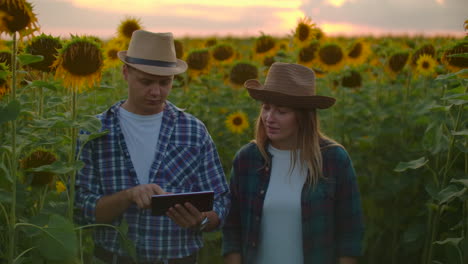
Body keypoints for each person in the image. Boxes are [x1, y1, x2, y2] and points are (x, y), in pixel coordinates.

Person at [75, 30, 230, 264]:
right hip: (114, 258)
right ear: (125, 73)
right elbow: (81, 208)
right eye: (146, 81)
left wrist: (202, 220)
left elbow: (221, 200)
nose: (156, 92)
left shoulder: (193, 131)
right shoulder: (94, 131)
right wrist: (128, 196)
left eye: (164, 82)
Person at [222, 62, 364, 264]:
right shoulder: (247, 160)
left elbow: (350, 232)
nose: (269, 118)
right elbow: (232, 228)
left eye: (281, 111)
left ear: (304, 117)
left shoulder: (333, 160)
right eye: (266, 108)